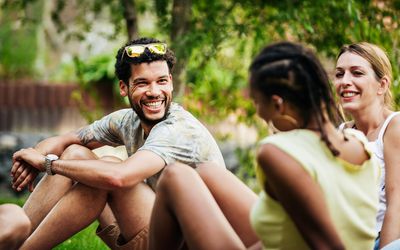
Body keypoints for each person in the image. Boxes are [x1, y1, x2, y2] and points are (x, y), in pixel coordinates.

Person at [146, 41, 381, 249]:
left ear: (278, 105)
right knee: (206, 171)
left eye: (258, 103)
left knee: (175, 175)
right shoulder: (359, 143)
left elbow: (328, 244)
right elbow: (302, 227)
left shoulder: (278, 152)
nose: (259, 113)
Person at [10, 37, 226, 249]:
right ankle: (12, 235)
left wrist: (47, 164)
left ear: (170, 82)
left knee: (107, 173)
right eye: (142, 83)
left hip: (189, 241)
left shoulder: (177, 128)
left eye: (161, 81)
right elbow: (66, 140)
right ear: (124, 87)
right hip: (159, 231)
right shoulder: (127, 121)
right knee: (77, 153)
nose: (154, 92)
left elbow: (119, 177)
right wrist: (32, 155)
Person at [334, 42, 400, 249]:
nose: (345, 81)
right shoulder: (340, 132)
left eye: (357, 73)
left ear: (382, 85)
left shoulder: (393, 127)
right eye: (339, 74)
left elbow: (397, 204)